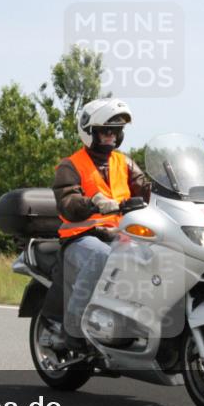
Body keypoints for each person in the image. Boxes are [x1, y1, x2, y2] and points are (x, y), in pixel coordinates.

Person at [53, 99, 150, 349]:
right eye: (105, 130)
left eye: (115, 131)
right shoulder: (70, 165)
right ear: (89, 132)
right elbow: (68, 203)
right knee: (104, 258)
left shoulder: (125, 163)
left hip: (120, 235)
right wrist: (94, 202)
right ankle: (73, 328)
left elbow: (147, 188)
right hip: (82, 237)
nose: (110, 136)